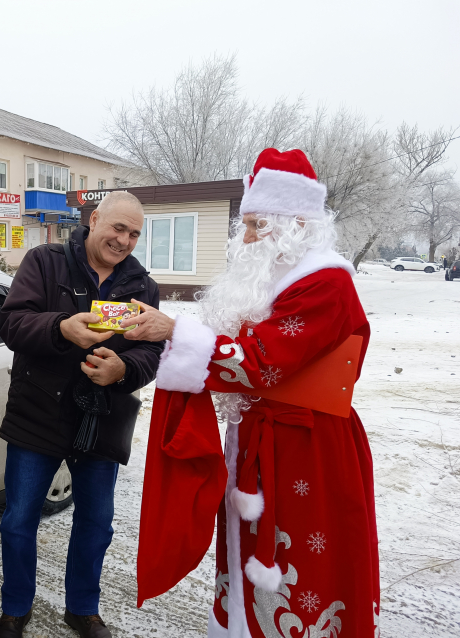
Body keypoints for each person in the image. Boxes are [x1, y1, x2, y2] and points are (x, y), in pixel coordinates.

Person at [128, 149, 380, 637]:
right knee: (248, 548)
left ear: (294, 224)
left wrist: (175, 331)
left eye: (254, 224)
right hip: (263, 440)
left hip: (308, 447)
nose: (243, 238)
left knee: (305, 553)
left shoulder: (326, 283)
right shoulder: (278, 281)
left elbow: (262, 360)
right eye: (244, 224)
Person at [0, 191, 165, 638]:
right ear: (93, 219)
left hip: (101, 419)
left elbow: (152, 350)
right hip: (38, 414)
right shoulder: (45, 262)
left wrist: (124, 369)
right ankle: (15, 609)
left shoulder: (143, 287)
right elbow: (11, 323)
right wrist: (59, 326)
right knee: (18, 521)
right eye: (117, 228)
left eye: (133, 233)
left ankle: (82, 609)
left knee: (96, 523)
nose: (124, 240)